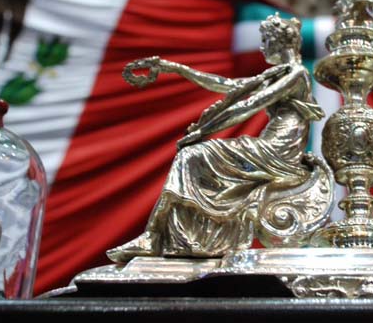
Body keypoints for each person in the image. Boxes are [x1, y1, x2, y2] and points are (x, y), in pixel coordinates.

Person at [107, 14, 324, 261]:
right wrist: (177, 69)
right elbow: (226, 85)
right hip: (269, 145)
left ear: (279, 41)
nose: (262, 47)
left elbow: (250, 105)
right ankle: (170, 236)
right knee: (190, 158)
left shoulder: (296, 74)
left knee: (191, 156)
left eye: (265, 40)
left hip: (278, 149)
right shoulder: (277, 74)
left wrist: (204, 130)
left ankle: (154, 235)